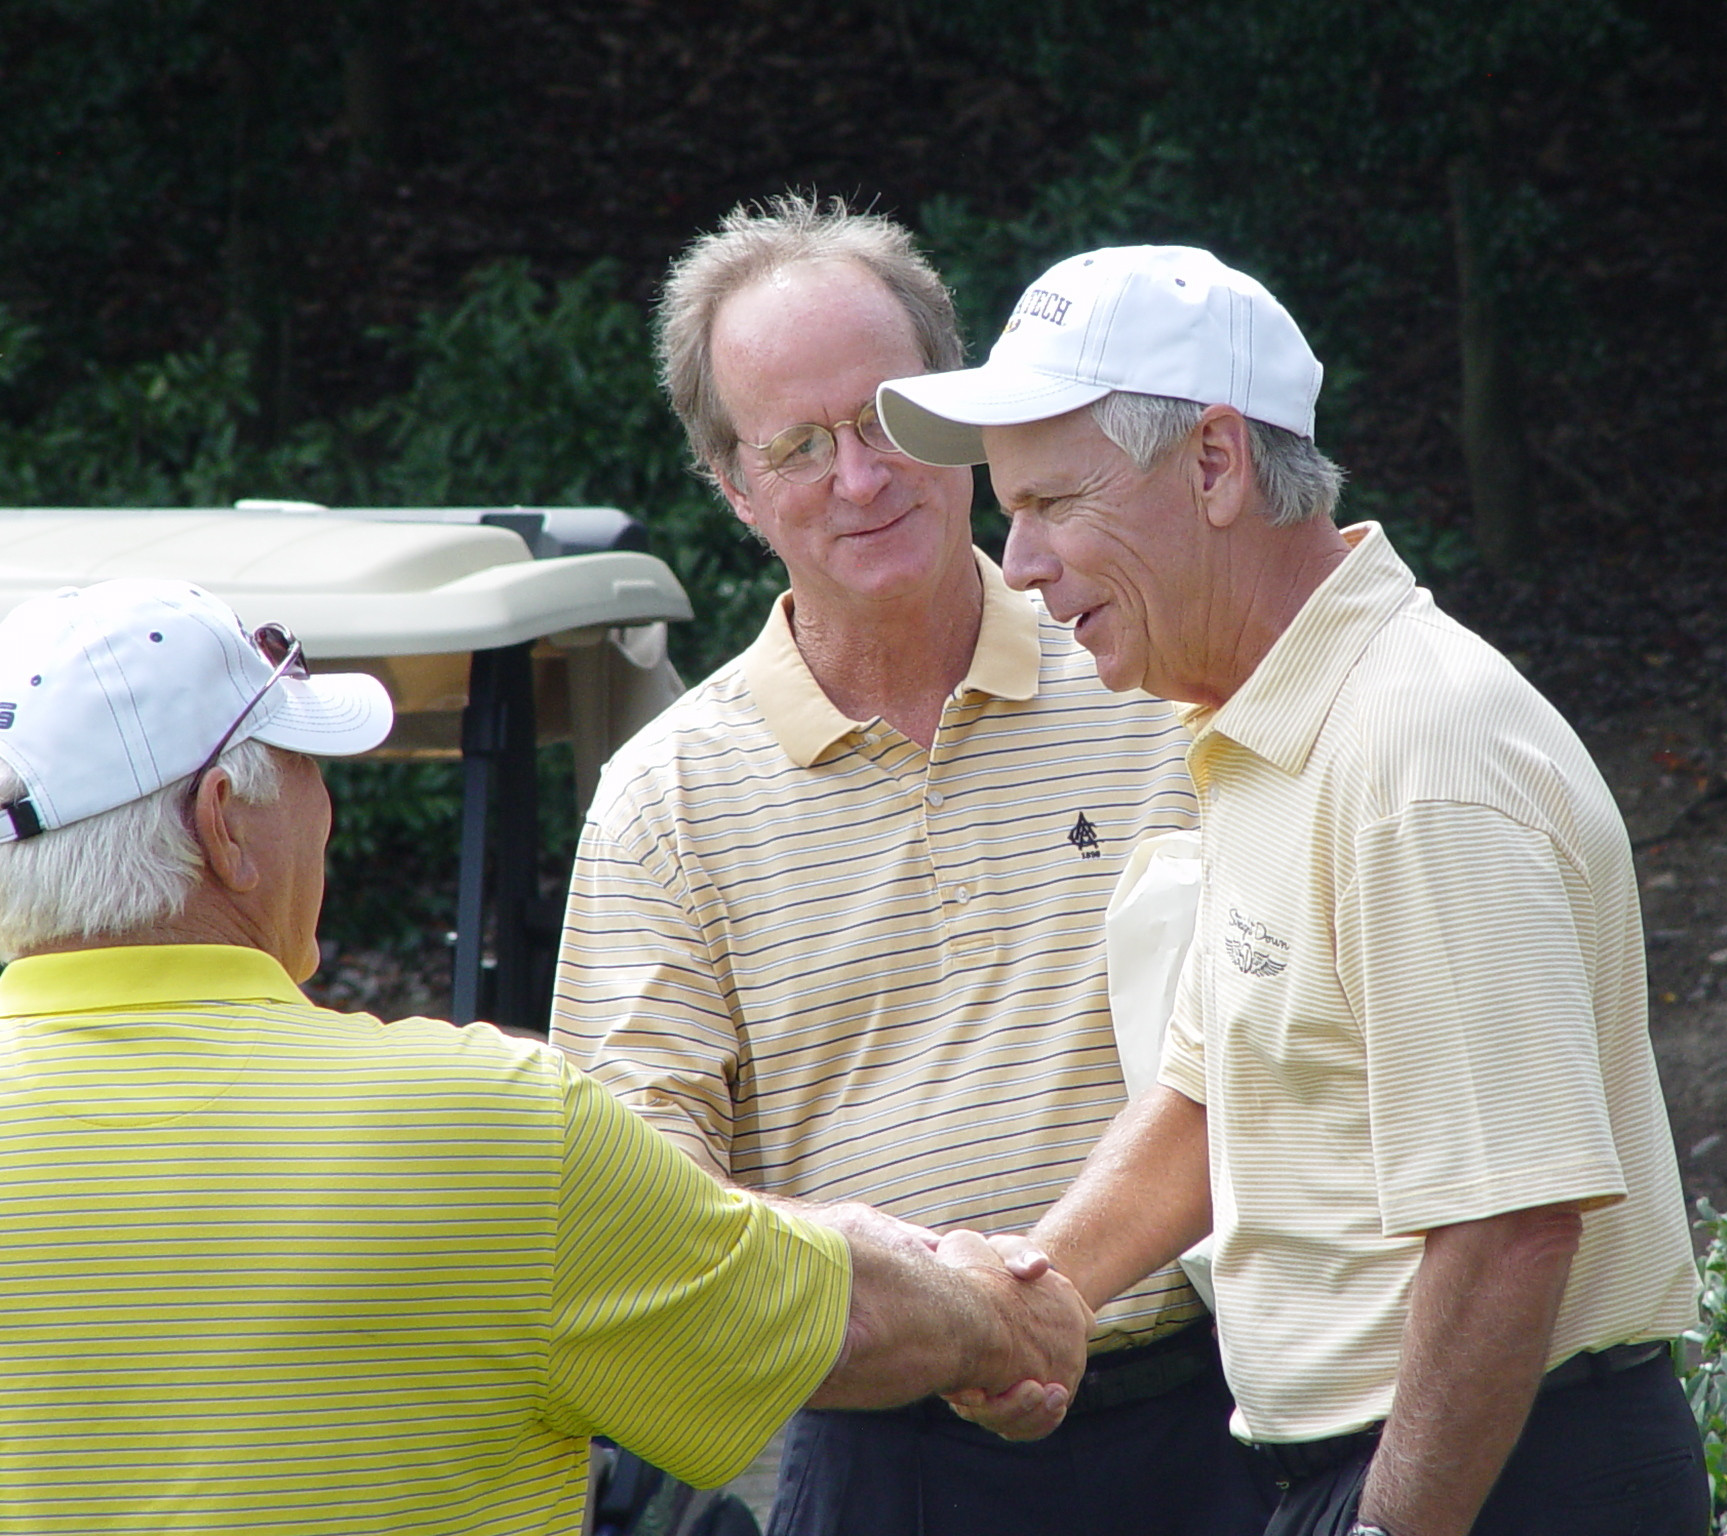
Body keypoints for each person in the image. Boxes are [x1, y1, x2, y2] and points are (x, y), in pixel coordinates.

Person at [876, 244, 1711, 1536]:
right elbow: (1215, 1098)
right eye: (1009, 513)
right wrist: (1037, 1297)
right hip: (1407, 1471)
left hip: (1494, 1478)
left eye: (1050, 504)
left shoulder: (1413, 756)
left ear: (1215, 464)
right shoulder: (1266, 731)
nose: (1021, 564)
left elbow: (1513, 1228)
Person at [0, 577, 1090, 1536]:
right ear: (225, 824)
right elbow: (836, 1318)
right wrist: (1003, 1320)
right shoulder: (475, 1125)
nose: (327, 809)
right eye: (303, 769)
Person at [550, 196, 1276, 1536]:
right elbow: (639, 1197)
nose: (862, 477)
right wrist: (938, 1315)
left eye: (888, 418)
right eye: (800, 446)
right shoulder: (666, 799)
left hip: (1215, 1420)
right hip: (885, 1468)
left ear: (965, 417)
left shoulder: (1156, 672)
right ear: (734, 488)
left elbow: (1294, 1036)